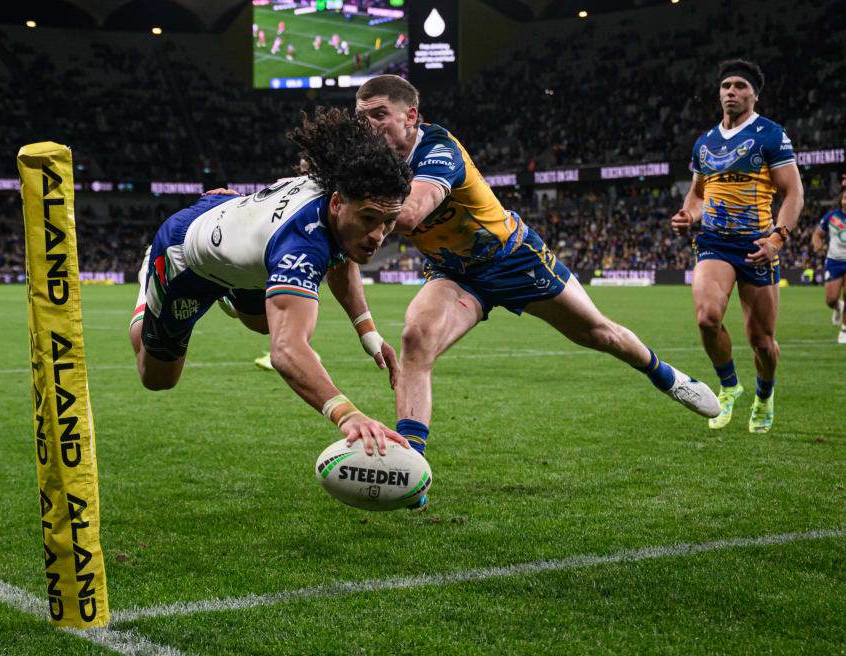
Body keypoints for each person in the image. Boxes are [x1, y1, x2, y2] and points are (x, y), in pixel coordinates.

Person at [352, 74, 719, 507]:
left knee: (598, 334)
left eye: (379, 116)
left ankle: (667, 376)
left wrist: (353, 200)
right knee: (416, 339)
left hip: (514, 258)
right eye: (361, 119)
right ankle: (411, 471)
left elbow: (411, 214)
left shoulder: (438, 150)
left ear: (411, 117)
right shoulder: (368, 161)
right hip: (455, 272)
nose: (368, 127)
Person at [128, 108, 413, 453]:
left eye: (389, 221)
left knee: (263, 324)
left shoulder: (339, 194)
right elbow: (286, 351)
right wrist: (348, 415)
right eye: (369, 219)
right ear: (337, 204)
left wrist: (368, 334)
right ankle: (149, 291)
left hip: (244, 242)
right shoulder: (301, 245)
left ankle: (234, 279)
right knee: (157, 379)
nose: (378, 236)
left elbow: (340, 257)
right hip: (183, 257)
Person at [672, 59, 804, 433]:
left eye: (740, 86)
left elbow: (793, 194)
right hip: (714, 243)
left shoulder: (770, 135)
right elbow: (697, 195)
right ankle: (730, 386)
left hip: (757, 245)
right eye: (726, 86)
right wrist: (688, 215)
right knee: (706, 318)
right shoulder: (704, 142)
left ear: (754, 94)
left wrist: (778, 238)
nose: (731, 91)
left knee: (762, 342)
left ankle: (764, 395)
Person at [810, 188, 846, 343]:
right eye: (845, 198)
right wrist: (817, 245)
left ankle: (844, 330)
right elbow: (817, 234)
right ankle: (838, 307)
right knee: (831, 300)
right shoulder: (832, 217)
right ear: (842, 200)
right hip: (834, 262)